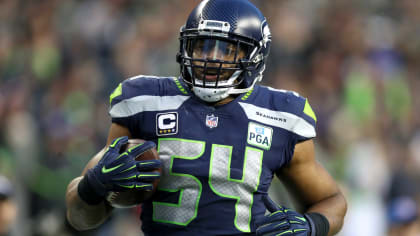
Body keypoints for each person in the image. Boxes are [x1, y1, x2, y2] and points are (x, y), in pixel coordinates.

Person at [65, 0, 347, 235]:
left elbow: (330, 200)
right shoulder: (144, 102)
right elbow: (80, 217)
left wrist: (312, 226)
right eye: (202, 46)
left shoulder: (282, 115)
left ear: (254, 55)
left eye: (226, 49)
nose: (211, 58)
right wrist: (94, 185)